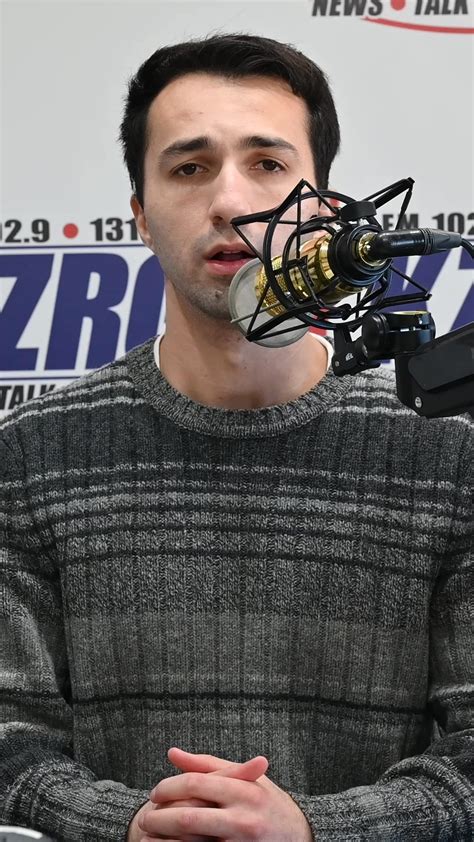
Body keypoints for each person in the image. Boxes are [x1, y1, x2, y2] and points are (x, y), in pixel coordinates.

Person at [0, 32, 472, 842]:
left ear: (324, 211)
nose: (229, 202)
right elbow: (9, 739)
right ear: (140, 216)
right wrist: (132, 825)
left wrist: (315, 830)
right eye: (190, 168)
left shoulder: (446, 454)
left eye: (267, 164)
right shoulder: (28, 456)